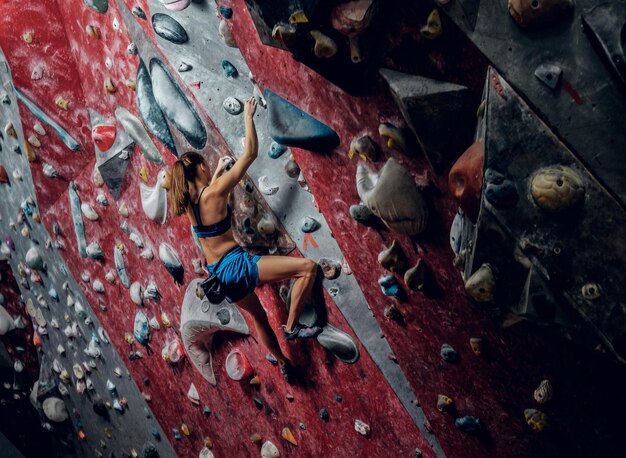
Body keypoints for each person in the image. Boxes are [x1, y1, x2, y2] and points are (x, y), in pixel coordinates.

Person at [169, 97, 321, 383]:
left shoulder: (190, 207)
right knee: (307, 268)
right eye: (206, 166)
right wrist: (247, 116)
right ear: (200, 168)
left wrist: (217, 173)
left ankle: (283, 362)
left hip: (218, 276)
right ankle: (292, 327)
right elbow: (250, 154)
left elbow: (210, 193)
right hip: (236, 266)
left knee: (259, 317)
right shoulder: (213, 194)